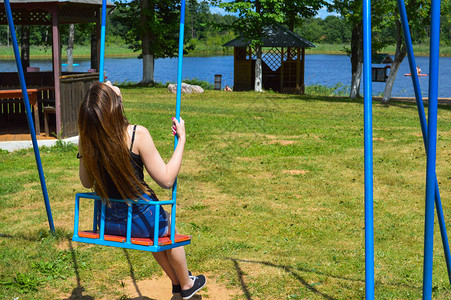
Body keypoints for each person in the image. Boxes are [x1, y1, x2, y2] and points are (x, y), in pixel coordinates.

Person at [77, 81, 206, 299]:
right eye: (108, 86)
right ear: (115, 105)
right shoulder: (136, 134)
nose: (109, 83)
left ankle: (176, 283)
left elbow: (86, 183)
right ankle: (186, 283)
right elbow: (166, 179)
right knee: (165, 227)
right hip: (139, 222)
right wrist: (182, 139)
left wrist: (84, 149)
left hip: (109, 221)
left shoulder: (89, 139)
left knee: (157, 232)